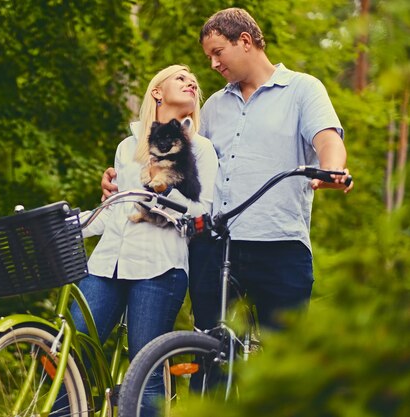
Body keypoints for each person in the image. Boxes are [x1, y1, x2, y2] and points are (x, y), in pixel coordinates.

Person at [101, 8, 353, 332]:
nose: (213, 64)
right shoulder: (214, 107)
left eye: (217, 53)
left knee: (281, 355)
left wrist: (331, 169)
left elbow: (327, 139)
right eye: (209, 56)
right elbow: (180, 165)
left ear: (245, 41)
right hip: (216, 244)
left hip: (279, 245)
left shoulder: (302, 89)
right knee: (210, 350)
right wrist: (122, 180)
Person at [73, 64, 218, 413]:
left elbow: (201, 211)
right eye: (181, 78)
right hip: (107, 264)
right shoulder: (127, 147)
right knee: (72, 353)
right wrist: (72, 225)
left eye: (193, 82)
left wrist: (164, 188)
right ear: (157, 91)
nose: (191, 83)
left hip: (160, 267)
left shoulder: (199, 148)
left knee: (146, 366)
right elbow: (114, 210)